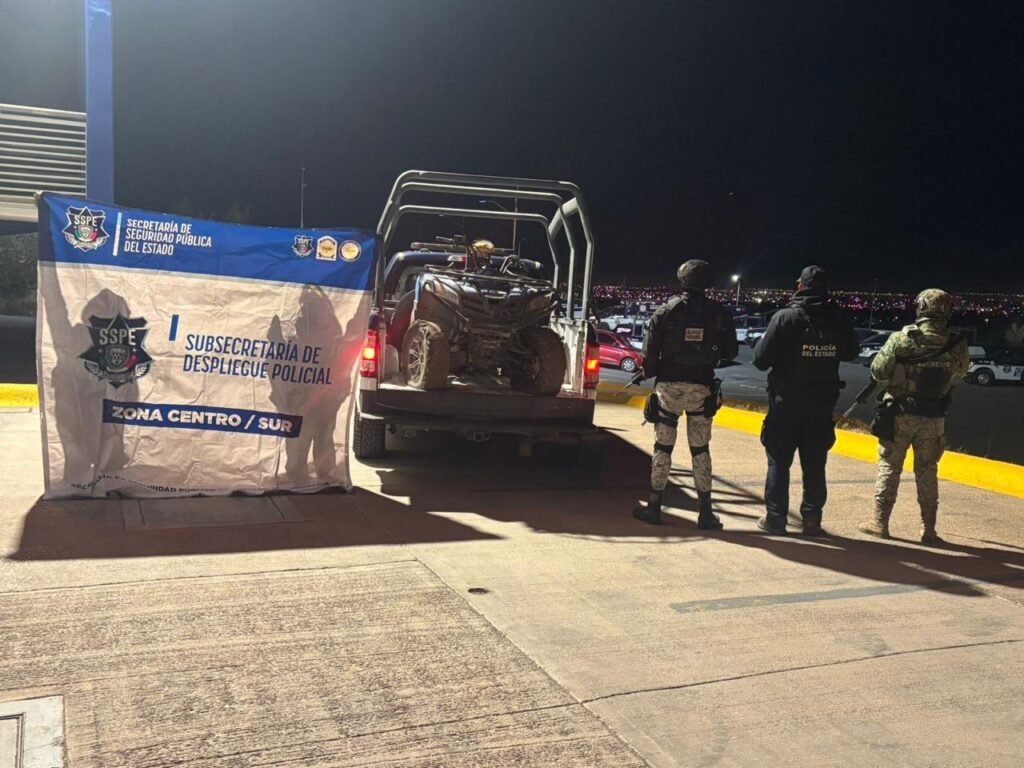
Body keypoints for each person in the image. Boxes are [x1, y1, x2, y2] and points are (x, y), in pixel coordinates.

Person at [752, 266, 859, 535]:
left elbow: (760, 360)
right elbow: (851, 352)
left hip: (785, 402)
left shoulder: (785, 317)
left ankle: (776, 519)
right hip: (821, 403)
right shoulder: (839, 318)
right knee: (815, 464)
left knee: (778, 461)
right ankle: (812, 520)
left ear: (800, 286)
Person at [632, 259, 738, 528]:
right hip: (702, 389)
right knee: (700, 450)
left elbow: (649, 356)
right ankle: (706, 513)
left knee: (662, 448)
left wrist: (648, 372)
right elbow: (731, 352)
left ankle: (654, 507)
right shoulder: (719, 313)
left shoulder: (666, 311)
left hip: (669, 389)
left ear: (682, 280)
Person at [859, 289, 970, 544]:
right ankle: (928, 530)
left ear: (920, 308)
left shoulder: (902, 339)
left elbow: (878, 372)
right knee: (928, 471)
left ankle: (879, 522)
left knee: (889, 467)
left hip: (900, 416)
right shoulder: (957, 344)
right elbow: (961, 372)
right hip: (934, 417)